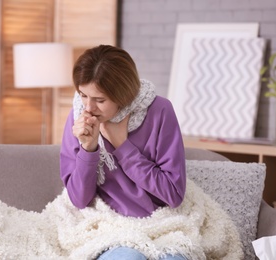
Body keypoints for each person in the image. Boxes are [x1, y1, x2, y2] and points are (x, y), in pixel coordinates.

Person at [60, 44, 187, 260]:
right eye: (83, 95)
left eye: (100, 100)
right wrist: (88, 149)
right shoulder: (78, 118)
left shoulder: (159, 111)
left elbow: (173, 194)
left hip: (161, 224)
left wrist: (122, 146)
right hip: (107, 226)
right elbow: (79, 199)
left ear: (123, 95)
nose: (88, 108)